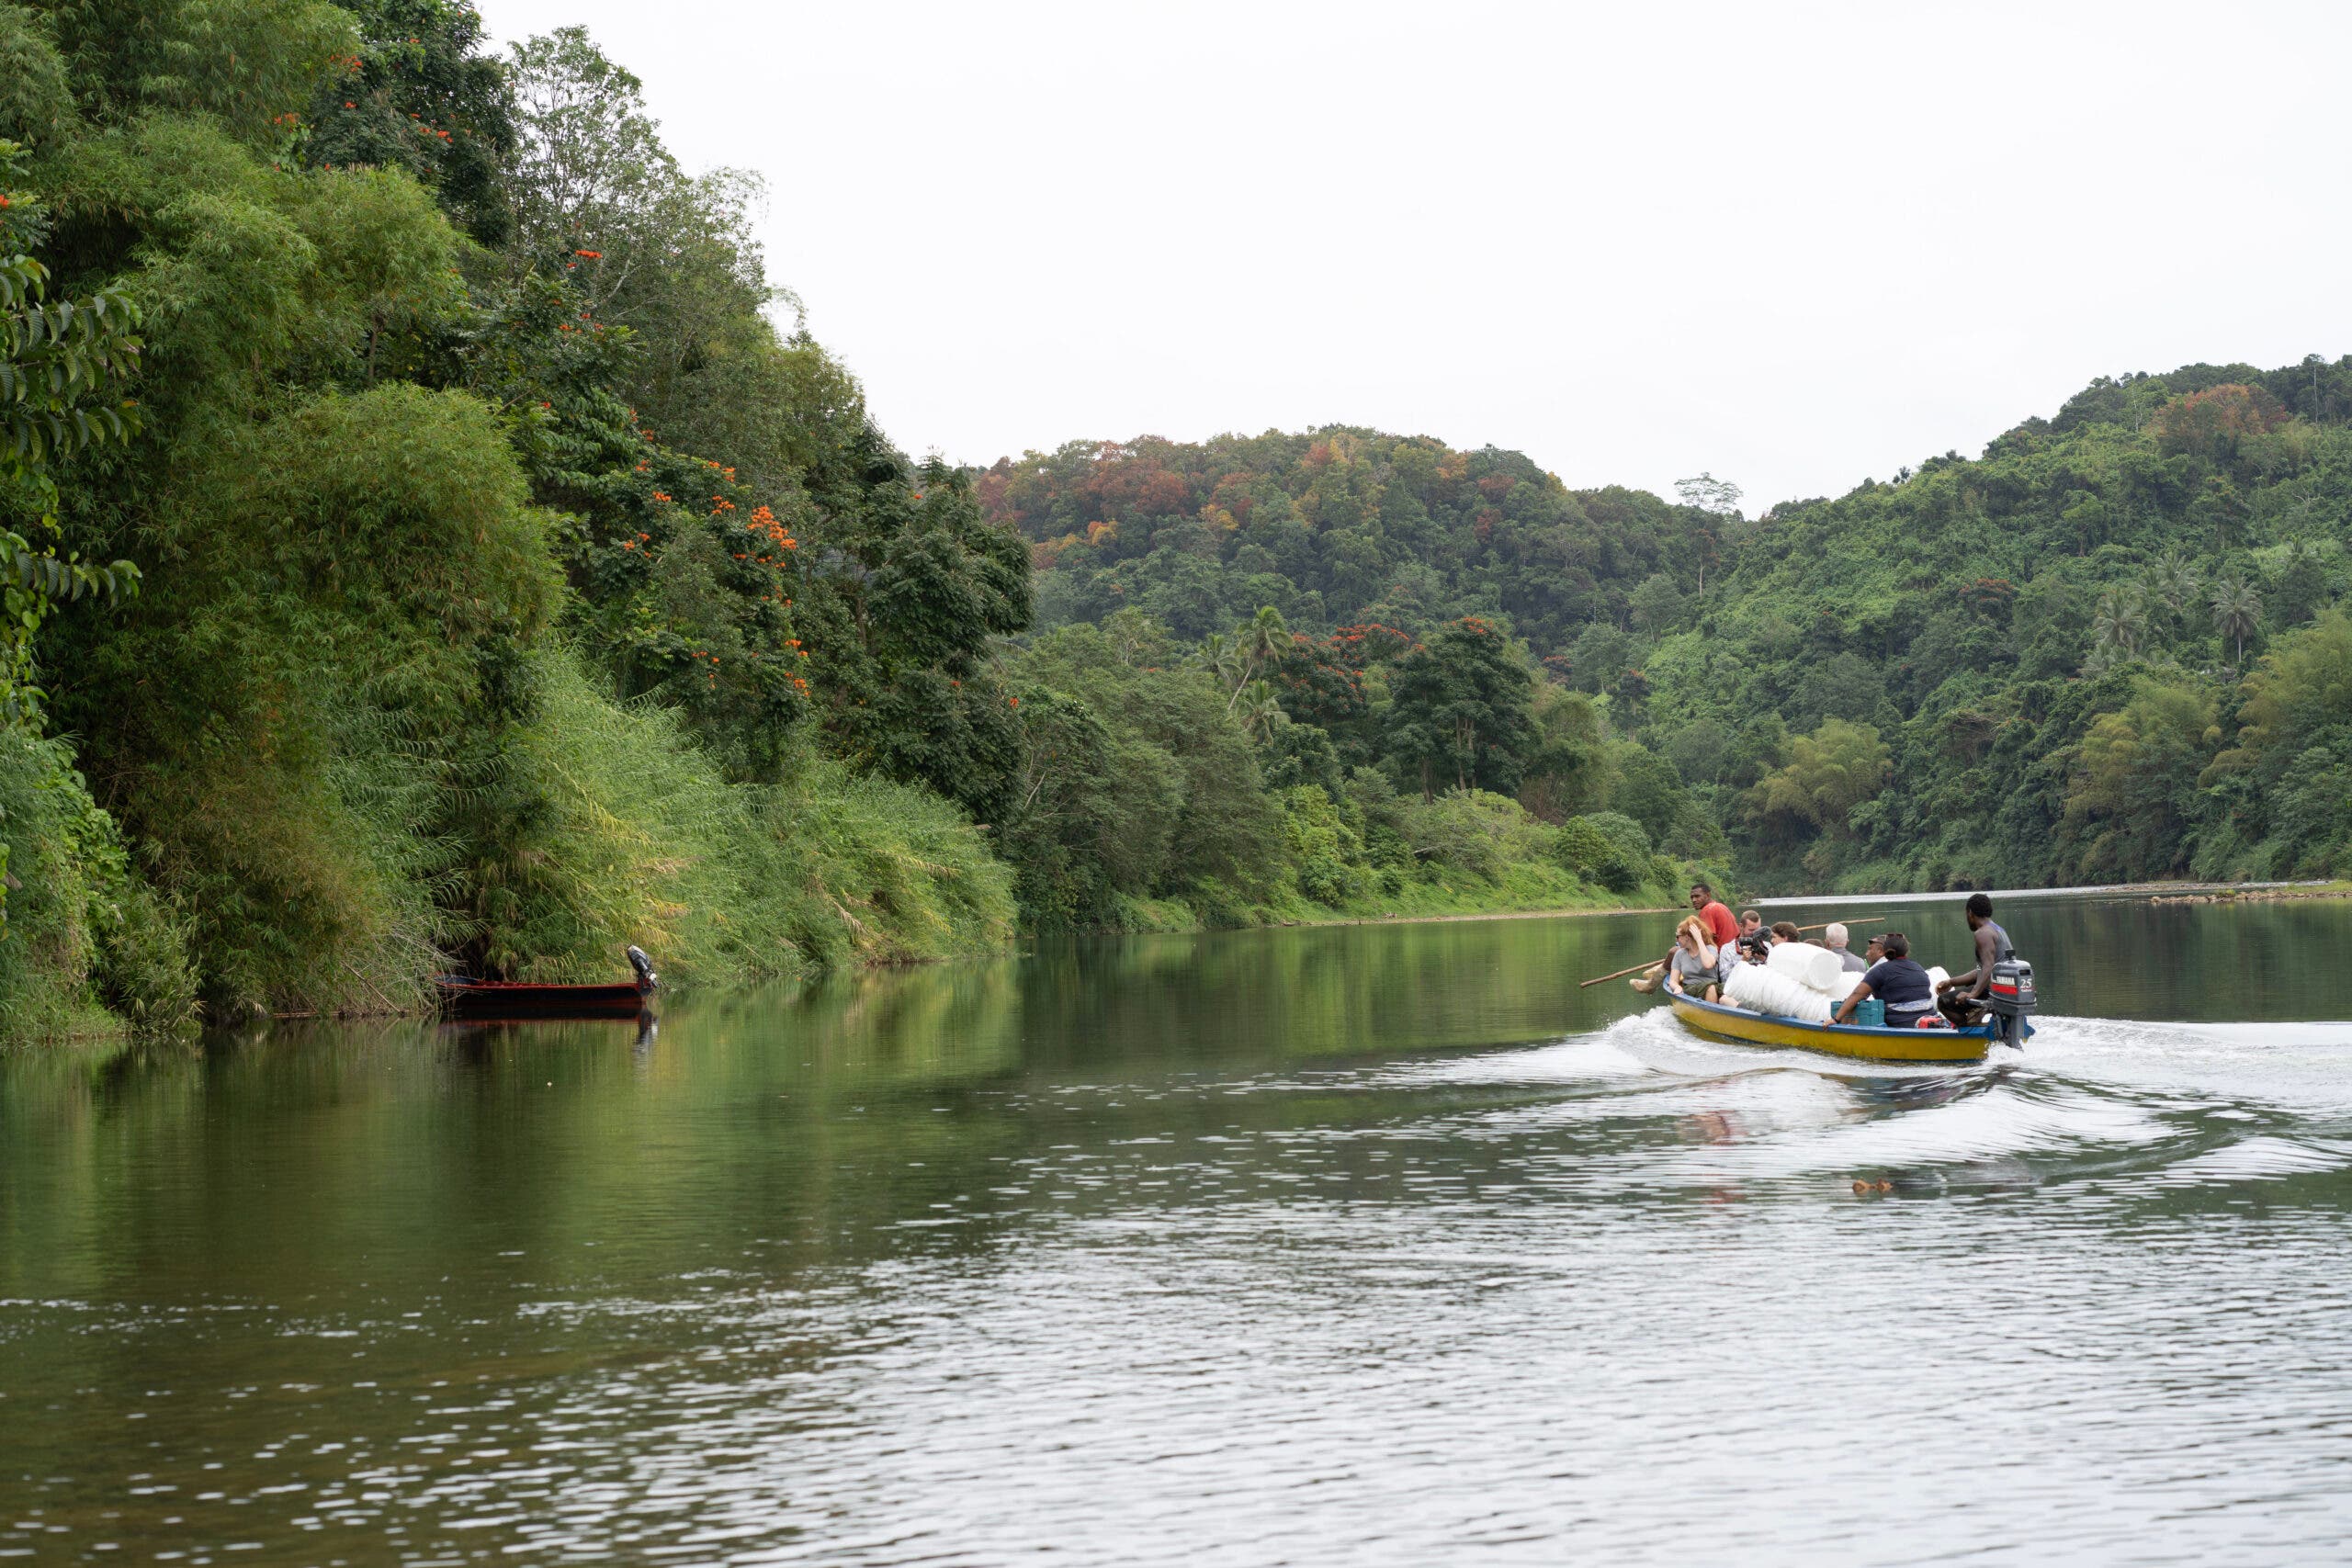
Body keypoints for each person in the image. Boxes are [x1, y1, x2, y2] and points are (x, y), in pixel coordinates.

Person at [1937, 893, 2016, 1027]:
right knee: (1963, 994)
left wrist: (1973, 994)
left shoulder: (1982, 933)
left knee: (1943, 1002)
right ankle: (1977, 1018)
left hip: (1994, 992)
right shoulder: (1998, 929)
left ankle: (1970, 1031)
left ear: (1970, 913)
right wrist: (1951, 982)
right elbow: (1983, 970)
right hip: (2007, 989)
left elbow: (1988, 967)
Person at [1836, 931, 1943, 1028]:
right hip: (1931, 1019)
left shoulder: (1879, 971)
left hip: (1902, 1023)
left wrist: (1836, 1019)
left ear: (1884, 951)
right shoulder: (1918, 967)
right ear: (1906, 951)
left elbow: (1857, 995)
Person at [1664, 917, 1724, 1002]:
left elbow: (1708, 964)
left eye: (1678, 936)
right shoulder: (1680, 954)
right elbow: (1673, 981)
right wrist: (1677, 987)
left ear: (1687, 937)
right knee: (1711, 988)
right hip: (1691, 989)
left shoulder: (1710, 949)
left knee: (1723, 992)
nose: (1676, 939)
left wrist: (1699, 940)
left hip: (1713, 987)